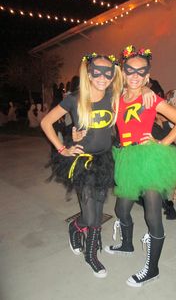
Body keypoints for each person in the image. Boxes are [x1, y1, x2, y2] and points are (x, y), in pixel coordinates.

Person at [104, 45, 176, 287]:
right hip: (126, 159)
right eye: (130, 70)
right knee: (122, 210)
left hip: (149, 159)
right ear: (123, 71)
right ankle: (127, 244)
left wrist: (162, 143)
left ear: (147, 75)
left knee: (153, 215)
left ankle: (152, 269)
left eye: (141, 72)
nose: (135, 75)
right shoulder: (117, 99)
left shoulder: (150, 97)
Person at [41, 53, 123, 278]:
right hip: (82, 161)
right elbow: (46, 122)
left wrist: (145, 90)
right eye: (97, 71)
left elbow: (135, 92)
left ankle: (90, 252)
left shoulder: (114, 96)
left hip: (104, 160)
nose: (103, 77)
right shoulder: (74, 99)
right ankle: (76, 229)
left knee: (97, 209)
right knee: (89, 215)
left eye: (108, 73)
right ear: (88, 72)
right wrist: (62, 147)